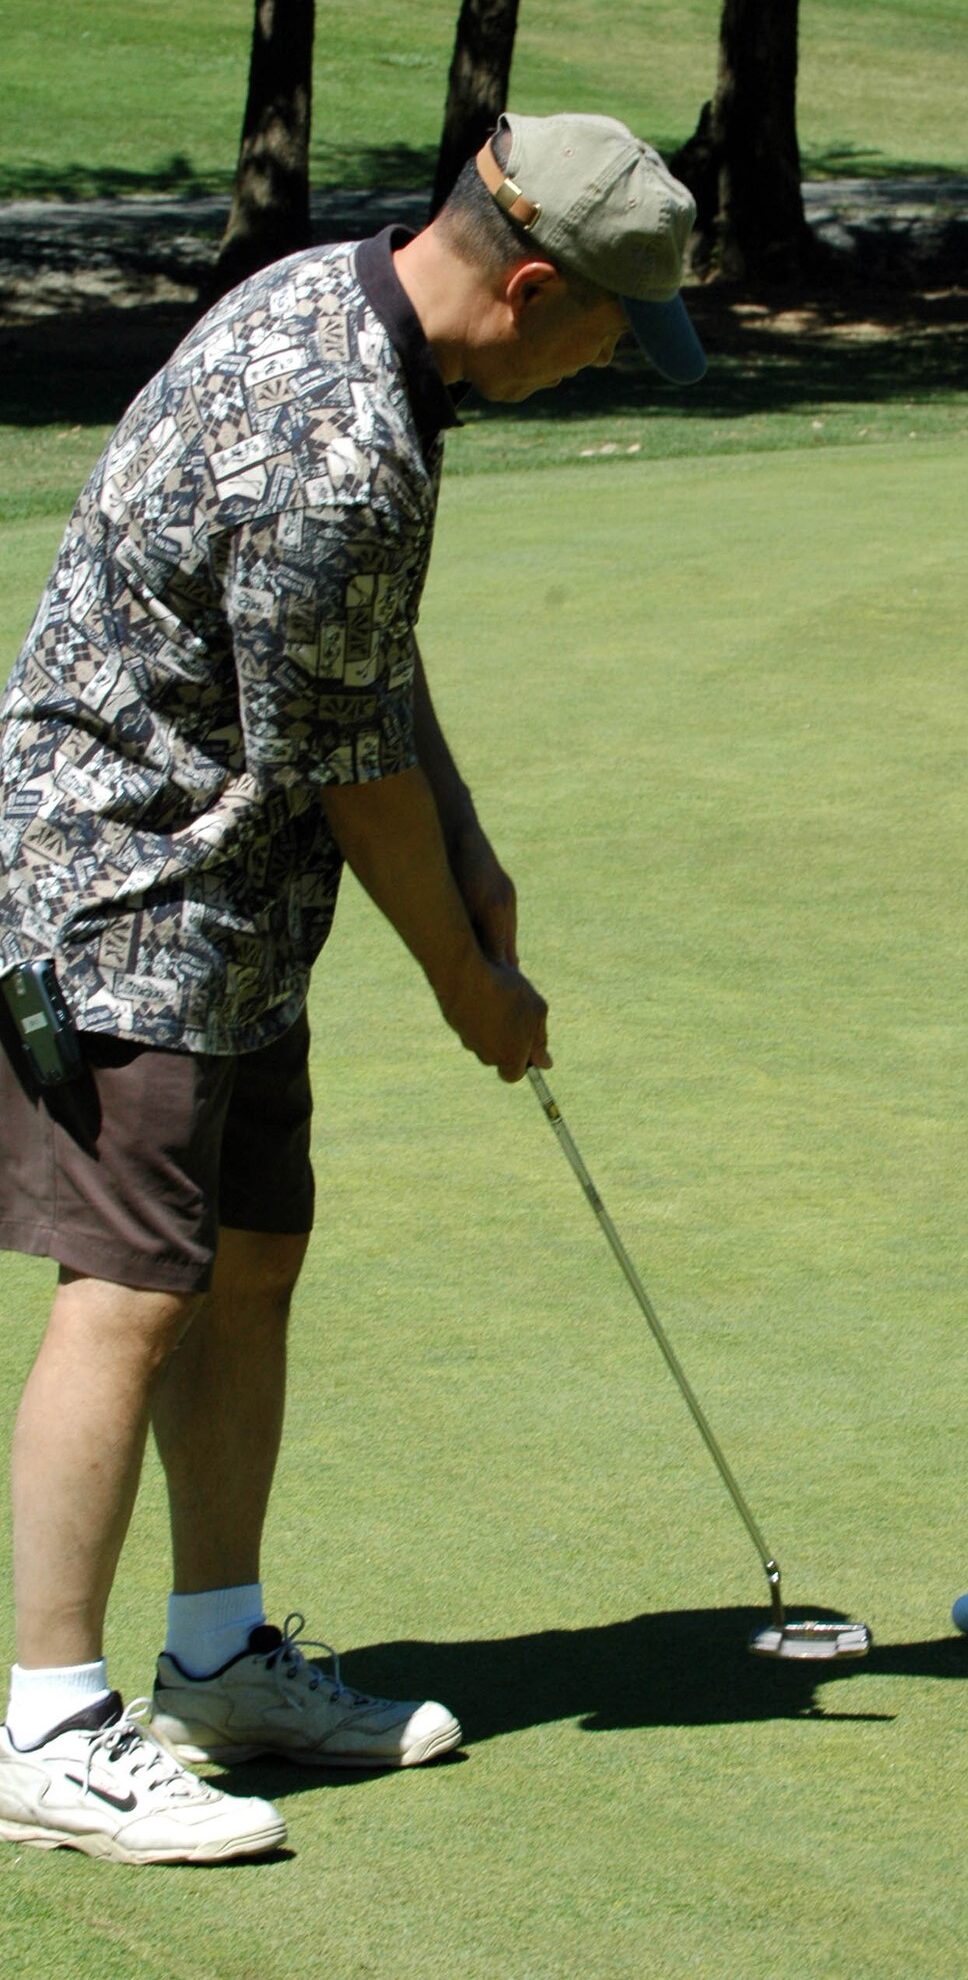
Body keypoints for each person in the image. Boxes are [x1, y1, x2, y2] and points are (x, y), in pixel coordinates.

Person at [0, 112, 705, 1865]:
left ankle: (219, 1660)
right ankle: (45, 1723)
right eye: (612, 327)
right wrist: (470, 978)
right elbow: (339, 754)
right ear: (532, 282)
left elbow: (359, 660)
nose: (611, 360)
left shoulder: (357, 315)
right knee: (131, 1289)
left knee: (249, 1261)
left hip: (231, 890)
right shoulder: (336, 441)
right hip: (125, 883)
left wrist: (474, 844)